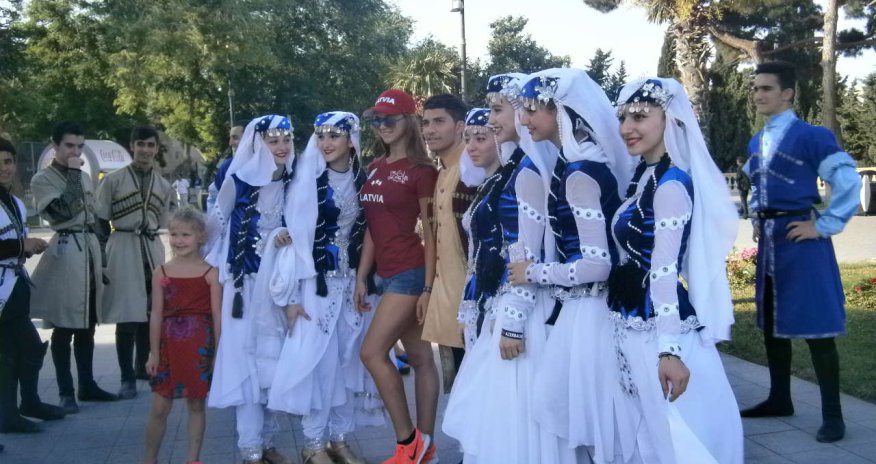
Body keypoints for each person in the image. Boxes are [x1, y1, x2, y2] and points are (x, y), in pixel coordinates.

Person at [607, 77, 743, 463]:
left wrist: (669, 351)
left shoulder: (671, 185)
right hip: (634, 325)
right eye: (622, 117)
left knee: (675, 437)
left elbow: (663, 271)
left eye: (639, 117)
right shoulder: (645, 176)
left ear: (669, 119)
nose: (626, 128)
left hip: (659, 330)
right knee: (649, 434)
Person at [443, 71, 570, 464]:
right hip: (499, 305)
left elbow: (525, 254)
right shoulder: (508, 173)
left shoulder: (525, 173)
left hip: (518, 312)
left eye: (498, 110)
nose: (491, 119)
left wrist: (512, 322)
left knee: (514, 421)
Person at [507, 68, 632, 462]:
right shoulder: (577, 163)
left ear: (559, 111)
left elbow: (597, 265)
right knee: (590, 415)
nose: (524, 120)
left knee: (591, 417)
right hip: (585, 307)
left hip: (591, 310)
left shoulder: (579, 174)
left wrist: (534, 272)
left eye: (532, 110)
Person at [741, 61, 861, 443]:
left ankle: (833, 416)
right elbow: (754, 185)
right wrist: (756, 216)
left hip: (802, 242)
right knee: (773, 324)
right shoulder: (756, 141)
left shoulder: (813, 136)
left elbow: (848, 181)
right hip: (770, 244)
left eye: (766, 88)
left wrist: (822, 226)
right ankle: (780, 398)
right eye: (755, 88)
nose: (758, 94)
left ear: (788, 93)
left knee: (817, 328)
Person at [268, 111, 381, 464]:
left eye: (334, 135)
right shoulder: (308, 180)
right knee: (319, 362)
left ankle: (339, 439)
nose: (326, 143)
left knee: (348, 360)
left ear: (351, 139)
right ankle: (313, 443)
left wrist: (364, 279)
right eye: (321, 136)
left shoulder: (364, 178)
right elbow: (294, 239)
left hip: (354, 284)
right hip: (315, 286)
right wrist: (289, 298)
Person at [204, 114, 303, 464]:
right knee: (246, 363)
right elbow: (215, 224)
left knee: (274, 364)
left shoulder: (293, 180)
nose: (282, 147)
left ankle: (268, 441)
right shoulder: (238, 181)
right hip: (243, 287)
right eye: (273, 141)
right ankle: (250, 449)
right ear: (258, 144)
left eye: (286, 140)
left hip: (278, 286)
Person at [355, 89, 440, 464]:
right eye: (377, 119)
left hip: (410, 272)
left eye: (390, 118)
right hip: (385, 274)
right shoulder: (375, 167)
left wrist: (428, 287)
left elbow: (432, 234)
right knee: (420, 357)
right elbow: (373, 227)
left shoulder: (423, 172)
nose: (382, 125)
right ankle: (426, 450)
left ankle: (409, 443)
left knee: (372, 353)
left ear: (408, 121)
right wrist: (362, 276)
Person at [30, 121, 118, 414]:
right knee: (65, 323)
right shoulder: (43, 179)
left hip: (88, 250)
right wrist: (72, 173)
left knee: (88, 323)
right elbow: (61, 212)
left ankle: (87, 384)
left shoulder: (83, 177)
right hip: (67, 253)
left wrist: (102, 258)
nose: (75, 152)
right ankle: (66, 391)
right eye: (69, 145)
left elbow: (96, 219)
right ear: (55, 146)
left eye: (80, 146)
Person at [97, 125, 173, 400]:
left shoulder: (163, 184)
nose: (145, 150)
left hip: (151, 248)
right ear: (132, 146)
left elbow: (163, 220)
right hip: (123, 244)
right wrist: (102, 254)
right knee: (127, 314)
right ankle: (126, 377)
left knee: (150, 312)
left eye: (150, 145)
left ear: (156, 149)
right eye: (140, 144)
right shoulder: (113, 180)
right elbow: (100, 218)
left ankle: (143, 367)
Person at [143, 208, 220, 464]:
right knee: (160, 406)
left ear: (201, 237)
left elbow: (217, 316)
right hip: (168, 347)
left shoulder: (211, 273)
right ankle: (149, 459)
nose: (178, 240)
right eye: (174, 234)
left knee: (196, 405)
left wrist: (217, 353)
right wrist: (153, 352)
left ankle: (193, 459)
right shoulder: (161, 272)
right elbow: (156, 314)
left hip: (199, 348)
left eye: (186, 234)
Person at [0, 137, 66, 434]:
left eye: (8, 162)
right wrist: (21, 245)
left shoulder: (14, 202)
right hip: (3, 289)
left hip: (15, 284)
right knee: (13, 351)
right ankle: (10, 413)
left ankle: (27, 403)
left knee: (26, 349)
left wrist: (26, 247)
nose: (5, 168)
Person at [420, 94, 476, 391]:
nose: (429, 130)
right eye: (426, 123)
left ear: (460, 126)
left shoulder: (474, 169)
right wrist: (428, 290)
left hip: (473, 302)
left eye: (439, 122)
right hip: (446, 299)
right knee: (458, 389)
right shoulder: (442, 172)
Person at [206, 122, 246, 213]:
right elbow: (214, 197)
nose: (230, 143)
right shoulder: (227, 166)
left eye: (235, 137)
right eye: (230, 138)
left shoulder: (270, 164)